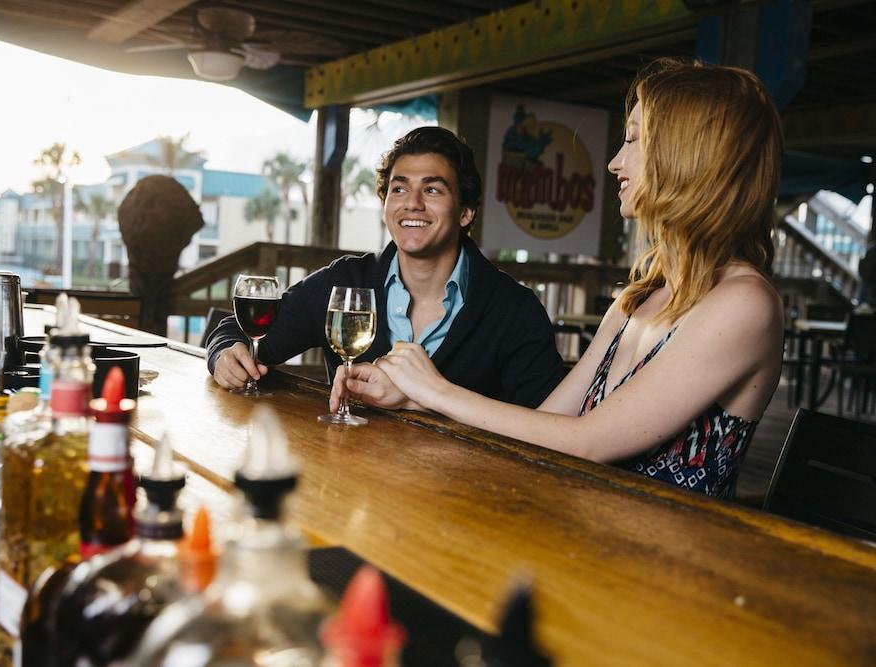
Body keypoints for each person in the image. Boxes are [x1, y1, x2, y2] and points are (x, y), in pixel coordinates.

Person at [333, 59, 785, 498]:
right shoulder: (637, 299)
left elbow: (588, 443)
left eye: (632, 140)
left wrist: (436, 388)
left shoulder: (744, 303)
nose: (614, 162)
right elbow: (547, 425)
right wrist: (414, 399)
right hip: (578, 536)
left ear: (687, 156)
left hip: (667, 566)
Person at [207, 127, 565, 408]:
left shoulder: (515, 310)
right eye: (399, 189)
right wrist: (225, 354)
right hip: (351, 482)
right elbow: (236, 330)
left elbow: (542, 425)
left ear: (466, 212)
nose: (412, 204)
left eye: (433, 190)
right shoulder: (345, 280)